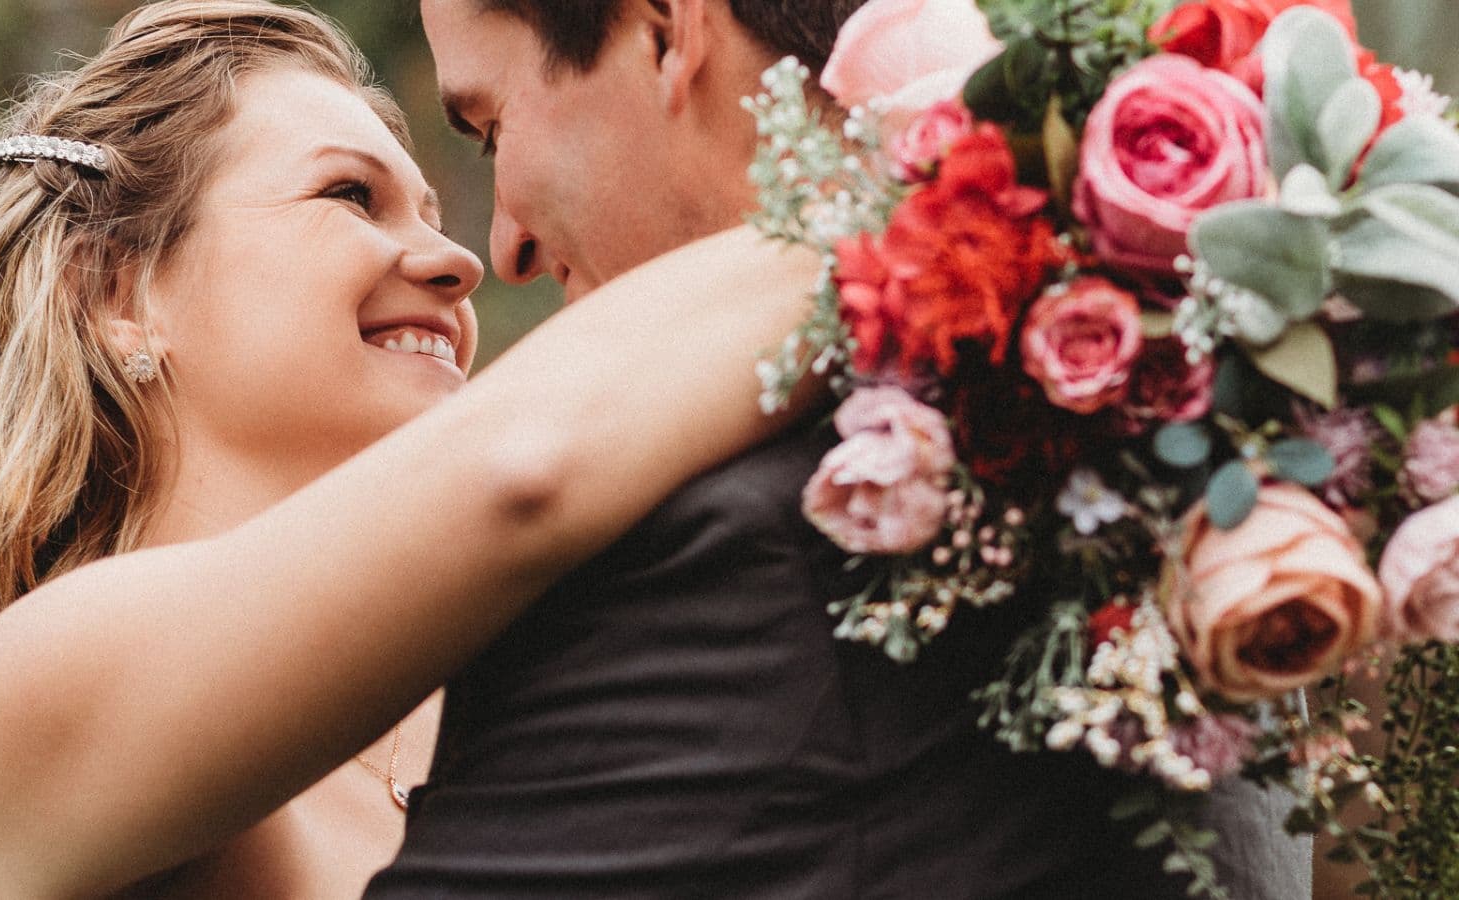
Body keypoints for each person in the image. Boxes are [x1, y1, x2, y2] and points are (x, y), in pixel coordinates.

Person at [362, 1, 1314, 897]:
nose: (504, 248)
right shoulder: (1176, 484)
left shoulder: (761, 549)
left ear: (665, 31)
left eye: (491, 129)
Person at [0, 2, 822, 897]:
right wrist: (888, 210)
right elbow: (524, 463)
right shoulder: (24, 703)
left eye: (431, 215)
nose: (462, 263)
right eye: (350, 196)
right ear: (113, 293)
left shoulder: (560, 673)